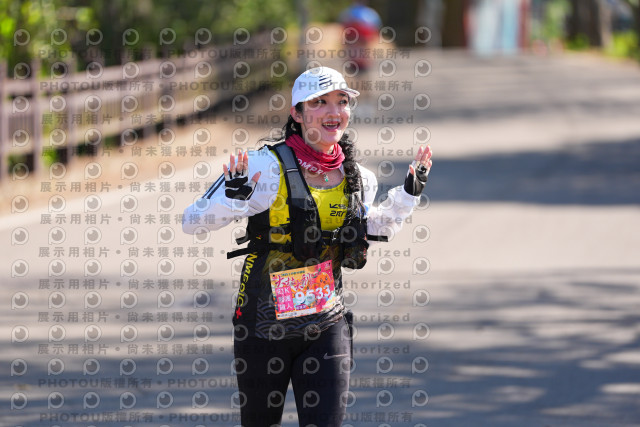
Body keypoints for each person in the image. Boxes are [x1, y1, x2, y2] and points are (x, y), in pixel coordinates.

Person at [182, 66, 432, 427]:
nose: (334, 111)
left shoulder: (359, 177)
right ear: (297, 114)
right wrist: (233, 201)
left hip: (326, 322)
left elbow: (373, 227)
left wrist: (408, 194)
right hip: (262, 326)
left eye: (341, 101)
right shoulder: (263, 166)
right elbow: (192, 221)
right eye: (319, 102)